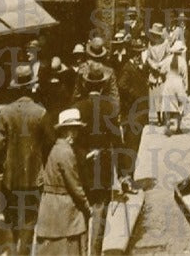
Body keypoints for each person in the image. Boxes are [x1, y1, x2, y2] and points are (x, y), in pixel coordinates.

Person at [0, 63, 49, 256]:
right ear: (31, 86)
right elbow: (48, 144)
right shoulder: (40, 113)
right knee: (28, 221)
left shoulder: (5, 113)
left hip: (11, 177)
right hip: (34, 176)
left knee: (12, 219)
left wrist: (0, 168)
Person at [74, 62, 120, 255]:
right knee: (100, 208)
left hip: (83, 162)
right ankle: (95, 252)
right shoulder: (110, 106)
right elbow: (117, 138)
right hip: (103, 162)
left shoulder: (77, 107)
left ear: (85, 84)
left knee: (83, 208)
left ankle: (82, 251)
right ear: (102, 85)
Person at [34, 108, 90, 256]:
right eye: (74, 130)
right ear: (68, 132)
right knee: (69, 247)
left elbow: (39, 180)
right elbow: (74, 184)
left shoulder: (52, 148)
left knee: (49, 249)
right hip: (64, 209)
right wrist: (86, 204)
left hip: (48, 207)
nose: (76, 134)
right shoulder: (66, 152)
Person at [116, 37, 149, 192]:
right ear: (134, 54)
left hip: (138, 115)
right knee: (130, 148)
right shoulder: (127, 68)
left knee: (133, 148)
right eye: (138, 53)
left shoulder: (137, 67)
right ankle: (127, 180)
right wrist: (134, 96)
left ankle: (130, 178)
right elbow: (122, 86)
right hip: (132, 116)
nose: (140, 55)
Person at [144, 23, 171, 125]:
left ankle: (163, 115)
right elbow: (148, 57)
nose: (155, 36)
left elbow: (169, 56)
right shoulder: (150, 44)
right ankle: (158, 116)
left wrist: (161, 64)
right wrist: (153, 65)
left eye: (156, 34)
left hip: (162, 73)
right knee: (155, 96)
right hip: (153, 73)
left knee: (162, 95)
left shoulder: (165, 43)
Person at [162, 41, 189, 136]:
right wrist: (186, 87)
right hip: (178, 82)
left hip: (169, 81)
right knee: (180, 104)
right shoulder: (182, 61)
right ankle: (178, 127)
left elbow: (162, 69)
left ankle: (168, 121)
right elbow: (185, 75)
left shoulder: (167, 59)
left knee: (168, 104)